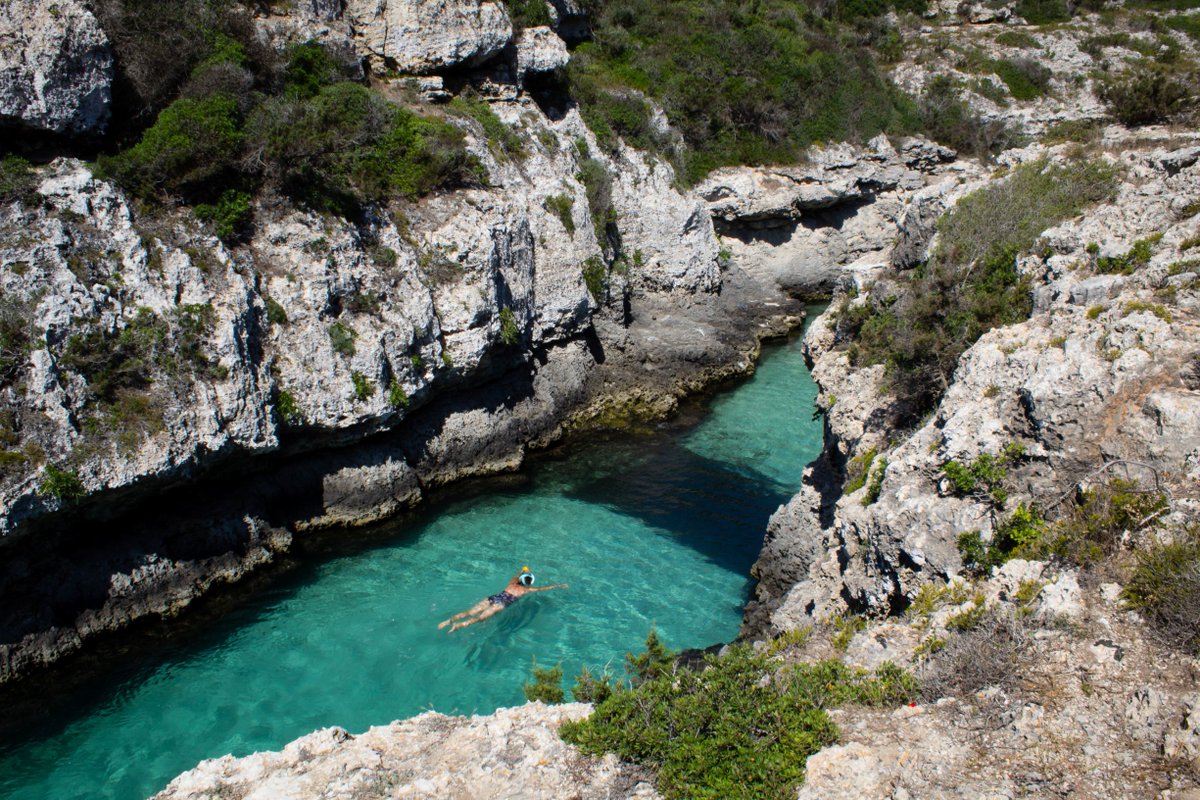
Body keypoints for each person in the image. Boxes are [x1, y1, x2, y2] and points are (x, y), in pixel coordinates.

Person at [437, 567, 567, 632]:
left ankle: (452, 623)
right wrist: (558, 585)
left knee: (473, 614)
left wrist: (524, 570)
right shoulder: (522, 587)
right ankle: (454, 624)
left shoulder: (515, 584)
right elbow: (542, 589)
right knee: (477, 616)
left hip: (495, 598)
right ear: (528, 581)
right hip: (501, 602)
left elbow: (536, 586)